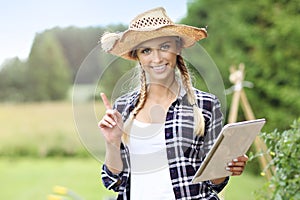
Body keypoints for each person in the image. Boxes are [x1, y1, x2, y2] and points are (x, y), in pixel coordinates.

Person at [98, 7, 248, 200]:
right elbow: (114, 180)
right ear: (138, 57)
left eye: (164, 47)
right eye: (146, 51)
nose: (157, 58)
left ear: (177, 48)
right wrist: (112, 143)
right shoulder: (123, 108)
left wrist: (226, 163)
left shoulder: (206, 105)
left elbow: (214, 183)